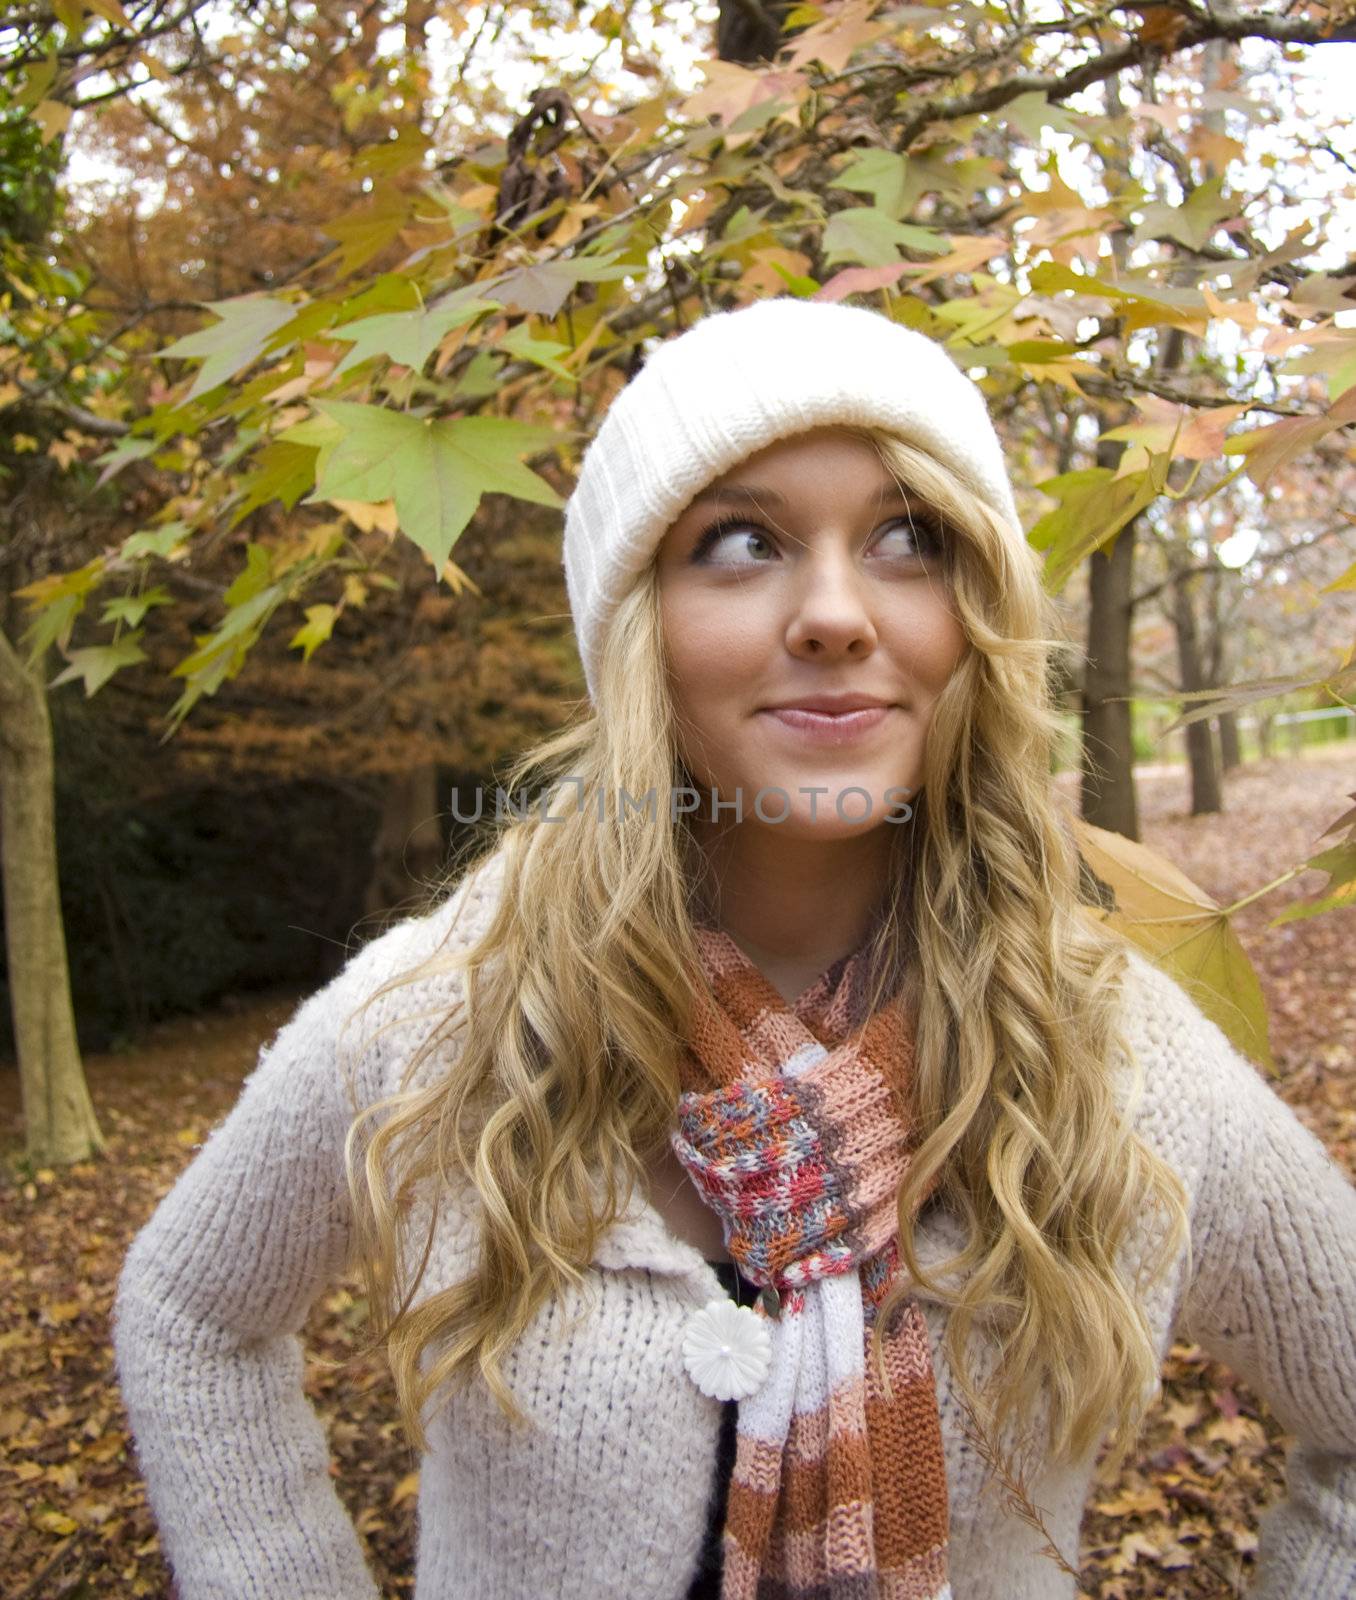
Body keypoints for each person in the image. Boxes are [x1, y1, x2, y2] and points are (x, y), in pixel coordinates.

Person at [112, 296, 1356, 1600]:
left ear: (974, 617)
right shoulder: (451, 1013)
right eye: (743, 542)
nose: (834, 613)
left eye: (907, 540)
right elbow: (191, 1315)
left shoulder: (1108, 1048)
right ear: (635, 632)